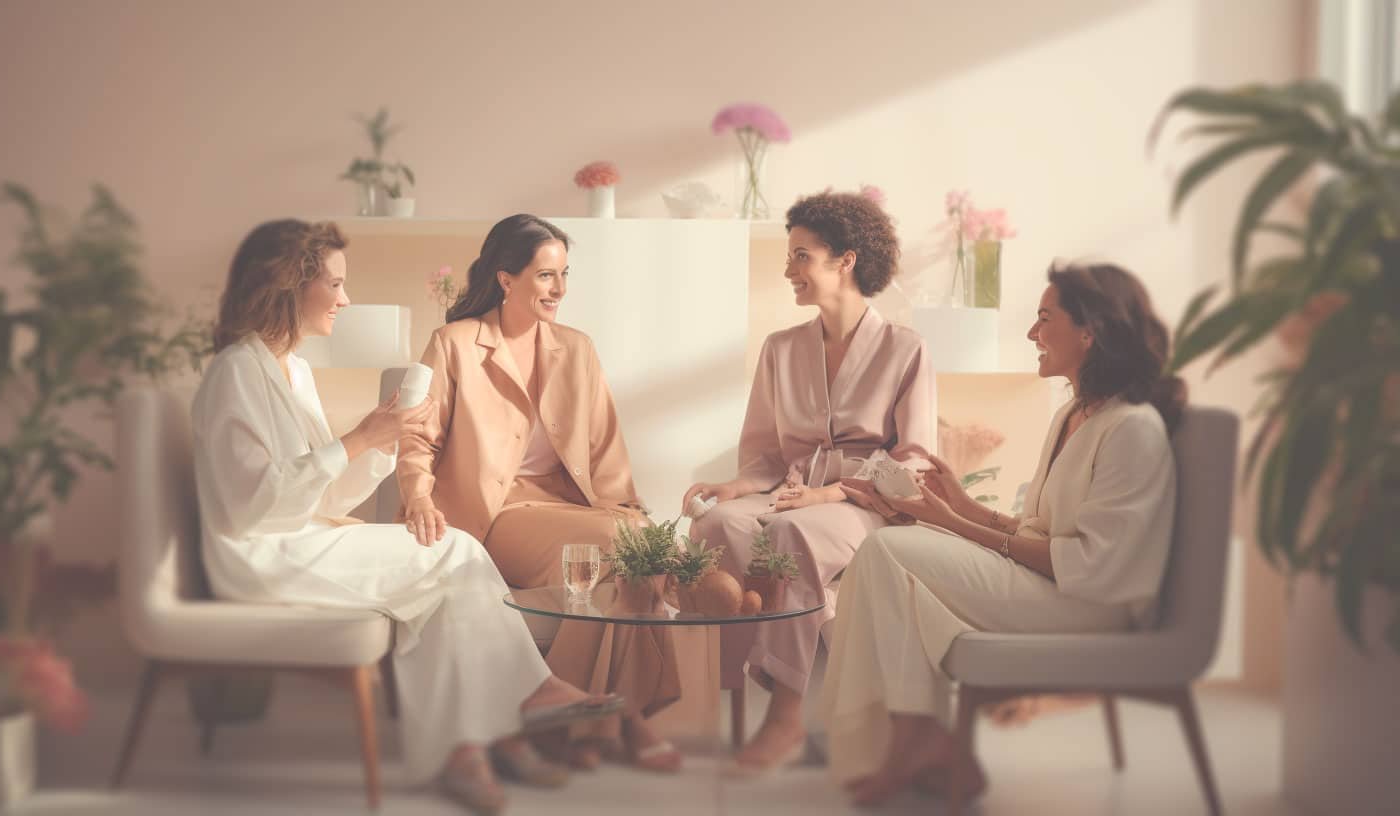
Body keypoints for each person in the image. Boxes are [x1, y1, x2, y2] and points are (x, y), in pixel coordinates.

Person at [193, 219, 621, 815]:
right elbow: (249, 506)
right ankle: (527, 697)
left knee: (446, 578)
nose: (344, 299)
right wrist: (354, 439)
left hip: (302, 536)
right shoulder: (236, 372)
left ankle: (469, 751)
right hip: (260, 555)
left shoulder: (295, 371)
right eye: (335, 285)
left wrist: (381, 442)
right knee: (456, 550)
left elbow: (326, 498)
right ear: (289, 286)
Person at [821, 262, 1186, 806]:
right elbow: (1043, 530)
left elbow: (1087, 564)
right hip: (1058, 585)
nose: (1032, 334)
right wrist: (966, 507)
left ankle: (914, 739)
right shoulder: (1073, 414)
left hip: (1091, 604)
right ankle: (916, 739)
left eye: (1044, 318)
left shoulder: (1132, 428)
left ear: (1091, 331)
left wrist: (955, 524)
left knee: (887, 551)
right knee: (889, 561)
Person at [396, 214, 683, 773]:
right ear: (506, 279)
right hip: (496, 510)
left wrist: (629, 510)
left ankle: (580, 717)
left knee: (635, 545)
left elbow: (604, 444)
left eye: (564, 275)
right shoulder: (454, 343)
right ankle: (627, 721)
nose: (560, 290)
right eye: (547, 276)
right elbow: (416, 435)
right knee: (616, 543)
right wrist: (419, 497)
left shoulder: (577, 348)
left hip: (571, 506)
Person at [681, 191, 938, 772]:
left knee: (792, 537)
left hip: (864, 505)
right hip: (788, 493)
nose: (789, 269)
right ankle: (719, 692)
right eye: (789, 255)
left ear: (845, 260)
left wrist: (831, 493)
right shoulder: (781, 349)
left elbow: (916, 461)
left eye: (801, 255)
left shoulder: (906, 350)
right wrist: (734, 488)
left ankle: (787, 716)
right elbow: (765, 456)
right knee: (718, 523)